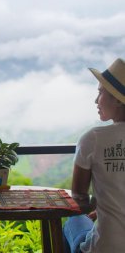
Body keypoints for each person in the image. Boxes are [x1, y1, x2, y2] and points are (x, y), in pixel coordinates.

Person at [63, 58, 125, 252]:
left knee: (73, 222)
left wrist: (99, 205)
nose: (96, 100)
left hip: (106, 247)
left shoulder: (93, 139)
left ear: (117, 99)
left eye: (100, 92)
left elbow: (79, 199)